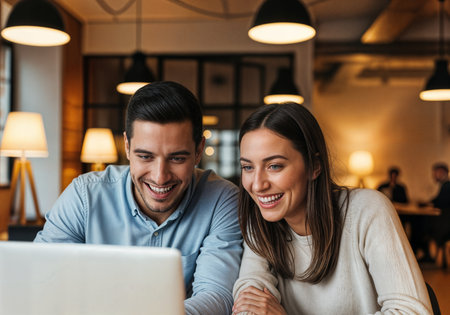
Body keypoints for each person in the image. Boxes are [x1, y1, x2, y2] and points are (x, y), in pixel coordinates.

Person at [34, 81, 242, 315]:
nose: (160, 177)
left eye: (177, 158)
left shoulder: (222, 200)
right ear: (127, 146)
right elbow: (42, 279)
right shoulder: (84, 196)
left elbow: (217, 295)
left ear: (198, 151)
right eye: (145, 156)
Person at [232, 103, 432, 314]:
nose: (257, 184)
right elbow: (249, 302)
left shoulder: (367, 210)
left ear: (315, 166)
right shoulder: (260, 223)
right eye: (248, 167)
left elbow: (411, 311)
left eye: (274, 166)